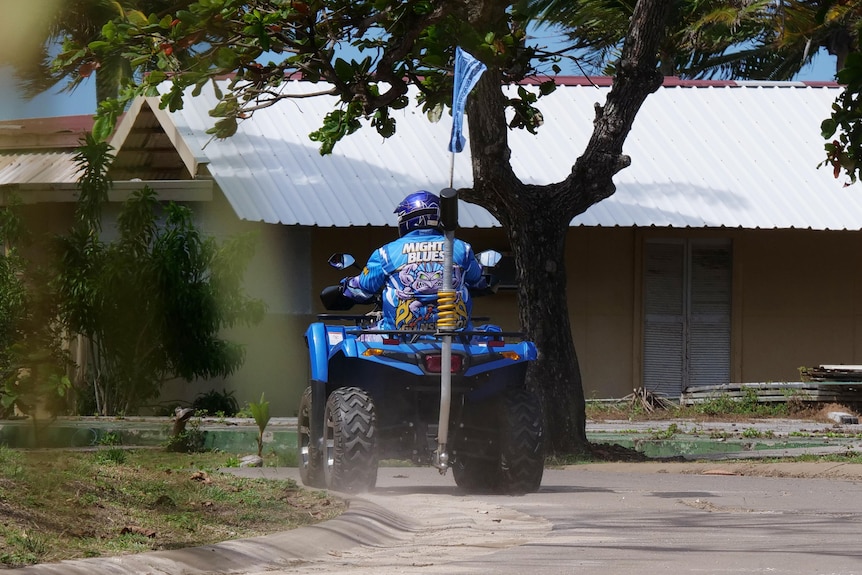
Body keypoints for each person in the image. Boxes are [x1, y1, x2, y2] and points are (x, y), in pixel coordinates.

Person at [340, 190, 489, 331]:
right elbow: (477, 279)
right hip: (457, 335)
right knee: (492, 333)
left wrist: (347, 285)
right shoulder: (461, 248)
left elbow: (365, 286)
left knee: (356, 338)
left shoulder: (386, 253)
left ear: (407, 219)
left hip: (399, 336)